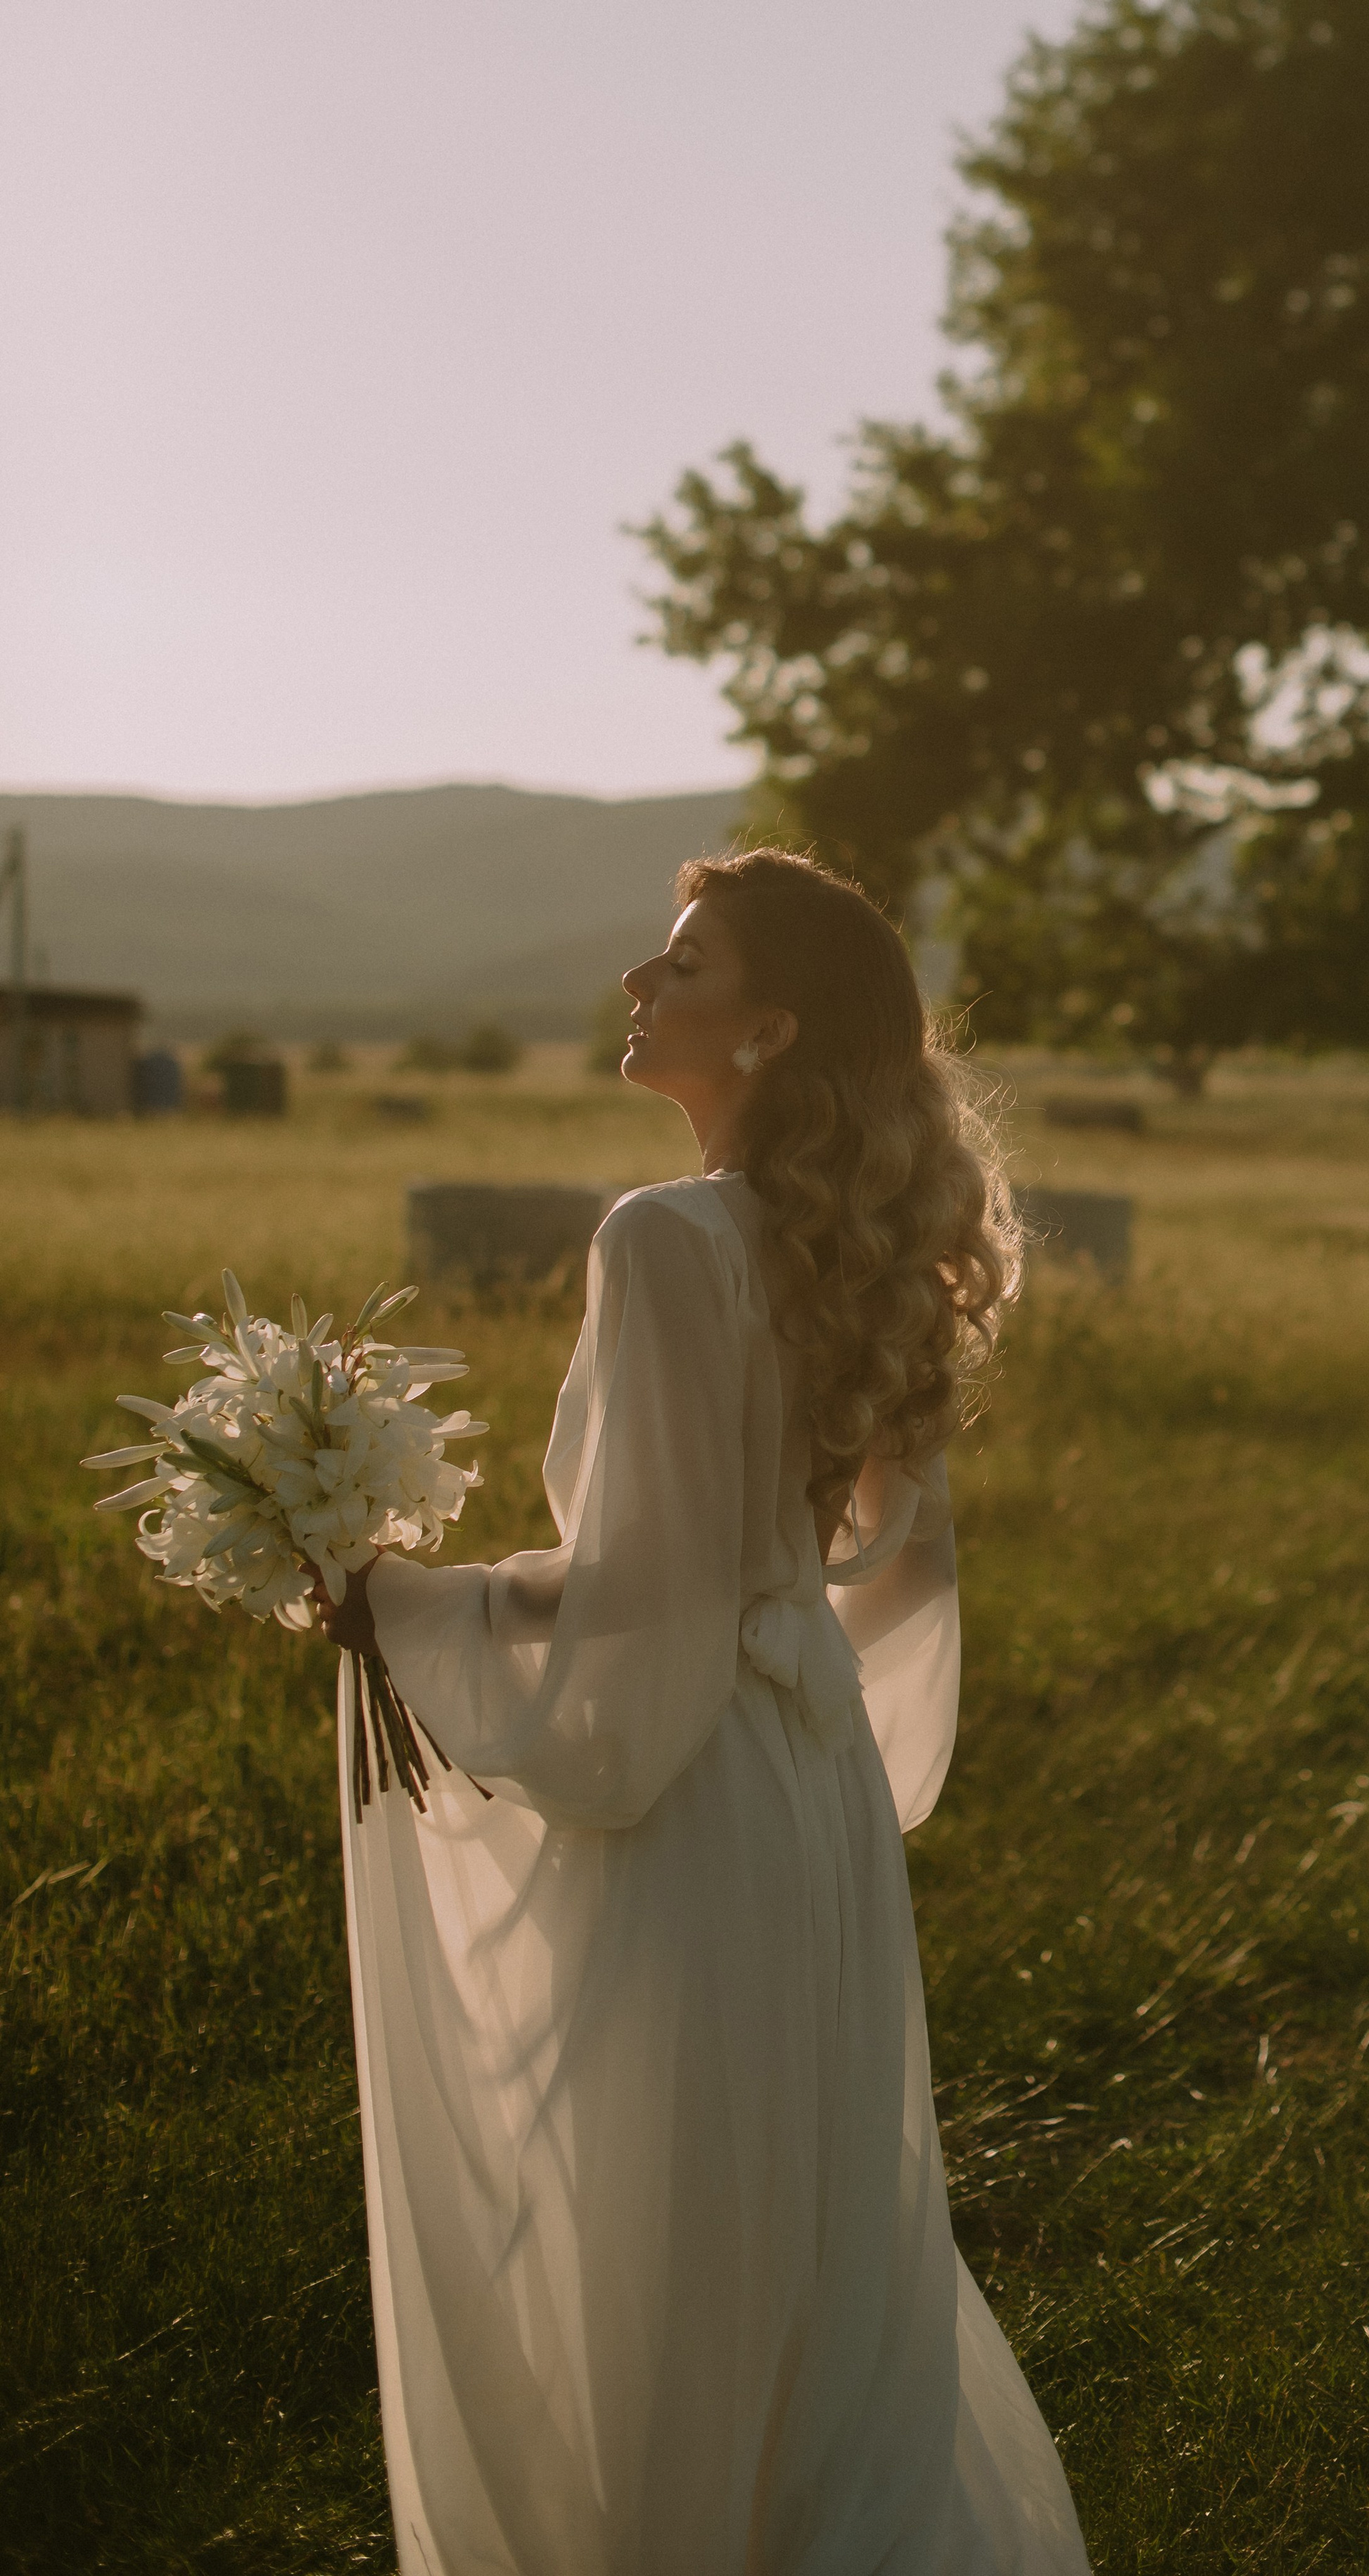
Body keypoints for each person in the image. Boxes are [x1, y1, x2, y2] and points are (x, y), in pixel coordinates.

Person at [317, 850, 1091, 2575]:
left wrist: (402, 1598)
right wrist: (767, 1651)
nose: (632, 985)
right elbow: (873, 1572)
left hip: (692, 1795)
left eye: (680, 963)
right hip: (803, 1783)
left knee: (673, 2241)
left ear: (771, 1022)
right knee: (805, 2245)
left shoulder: (664, 1237)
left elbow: (640, 1624)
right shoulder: (855, 1246)